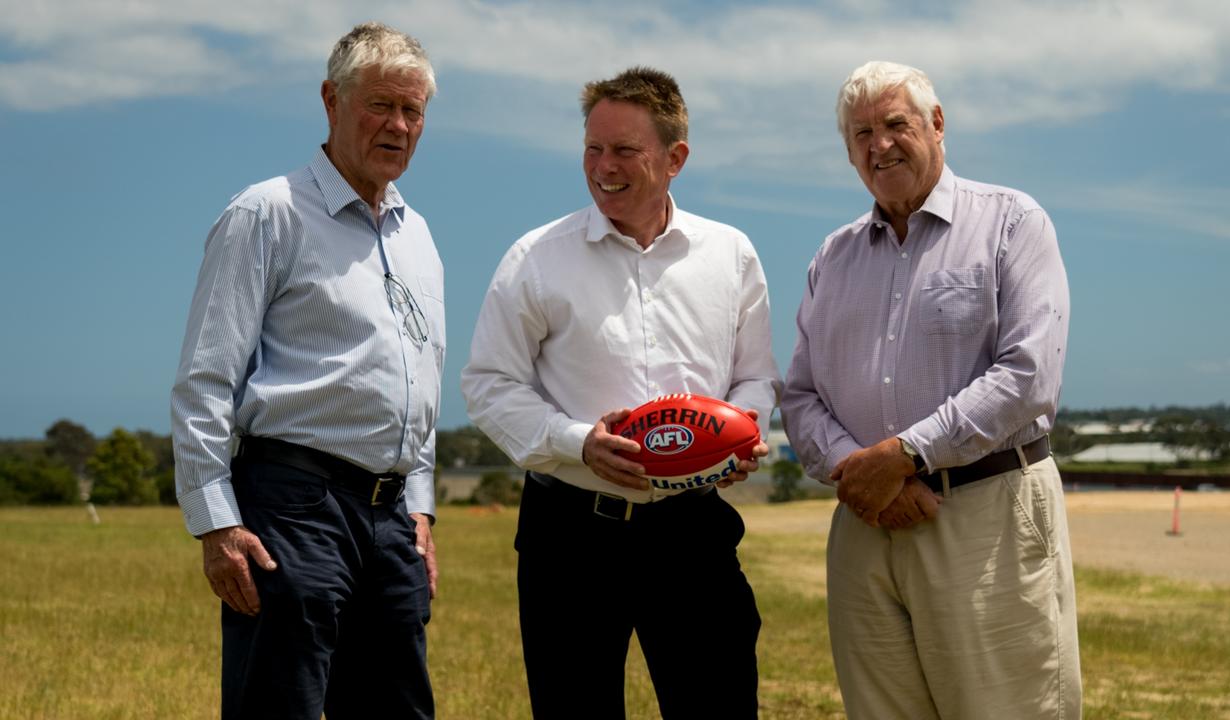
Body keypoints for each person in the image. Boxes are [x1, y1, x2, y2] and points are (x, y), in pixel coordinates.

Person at [460, 67, 781, 719]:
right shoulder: (536, 257)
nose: (603, 166)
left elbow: (755, 375)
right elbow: (488, 385)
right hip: (569, 537)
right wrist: (579, 443)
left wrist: (744, 428)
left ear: (675, 158)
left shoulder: (732, 254)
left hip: (692, 532)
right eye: (592, 149)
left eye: (624, 151)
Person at [780, 61, 1080, 719]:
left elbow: (1027, 375)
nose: (878, 145)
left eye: (895, 125)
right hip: (864, 524)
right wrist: (859, 474)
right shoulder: (832, 257)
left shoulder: (1011, 223)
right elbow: (799, 395)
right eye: (860, 133)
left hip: (986, 514)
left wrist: (904, 456)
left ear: (937, 124)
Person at [170, 22, 444, 720]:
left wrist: (420, 507)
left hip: (390, 523)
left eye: (413, 110)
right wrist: (216, 525)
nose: (399, 125)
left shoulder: (418, 237)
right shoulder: (267, 214)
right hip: (292, 507)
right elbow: (205, 380)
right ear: (331, 99)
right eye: (381, 104)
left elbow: (418, 386)